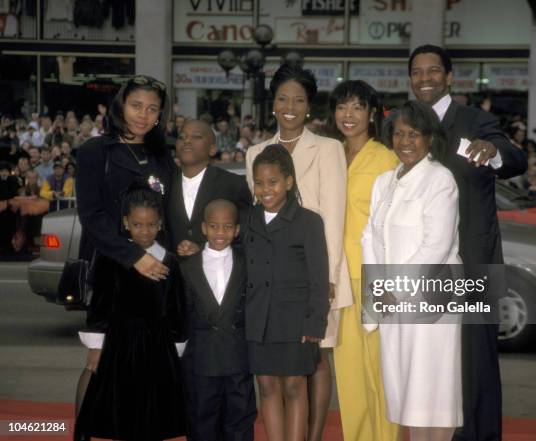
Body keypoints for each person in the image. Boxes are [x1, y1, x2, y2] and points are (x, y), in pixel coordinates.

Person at [408, 44, 528, 441]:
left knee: (474, 359)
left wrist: (494, 151)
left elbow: (515, 158)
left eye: (433, 71)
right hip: (419, 262)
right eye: (417, 72)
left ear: (448, 77)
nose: (425, 78)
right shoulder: (402, 126)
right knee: (428, 361)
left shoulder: (476, 120)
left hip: (473, 259)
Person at [245, 64, 352, 441]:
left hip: (317, 273)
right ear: (272, 104)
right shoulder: (256, 151)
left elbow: (334, 215)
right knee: (277, 378)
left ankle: (313, 435)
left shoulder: (328, 148)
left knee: (316, 359)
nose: (290, 106)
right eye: (282, 98)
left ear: (309, 107)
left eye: (299, 100)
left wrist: (330, 280)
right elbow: (258, 216)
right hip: (275, 284)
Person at [75, 74, 176, 420]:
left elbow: (169, 214)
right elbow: (91, 215)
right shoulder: (94, 151)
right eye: (136, 106)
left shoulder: (162, 156)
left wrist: (172, 256)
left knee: (144, 362)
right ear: (121, 105)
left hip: (153, 271)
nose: (143, 115)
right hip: (111, 268)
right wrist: (133, 256)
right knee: (98, 359)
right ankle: (85, 431)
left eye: (152, 109)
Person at [362, 101, 462, 441]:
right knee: (406, 388)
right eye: (399, 133)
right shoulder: (384, 182)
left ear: (430, 138)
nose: (405, 141)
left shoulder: (440, 180)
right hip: (392, 301)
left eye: (414, 134)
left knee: (432, 390)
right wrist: (378, 293)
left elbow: (436, 246)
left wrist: (395, 290)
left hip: (430, 299)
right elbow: (369, 239)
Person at [74, 180, 187, 441]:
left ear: (160, 224)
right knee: (120, 405)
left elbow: (176, 308)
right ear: (126, 223)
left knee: (153, 409)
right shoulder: (112, 258)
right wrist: (96, 347)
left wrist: (177, 347)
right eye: (137, 224)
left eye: (150, 225)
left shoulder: (169, 261)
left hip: (158, 347)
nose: (144, 231)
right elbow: (100, 303)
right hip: (118, 345)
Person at [327, 80, 400, 441]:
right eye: (343, 107)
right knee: (350, 373)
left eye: (357, 107)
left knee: (379, 371)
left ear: (372, 112)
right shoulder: (331, 154)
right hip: (338, 280)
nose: (349, 115)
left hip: (374, 278)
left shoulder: (385, 158)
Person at [244, 144, 330, 441]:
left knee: (295, 388)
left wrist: (315, 322)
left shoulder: (309, 222)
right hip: (258, 321)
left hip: (295, 321)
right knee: (266, 388)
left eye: (273, 182)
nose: (265, 189)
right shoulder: (247, 220)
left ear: (289, 182)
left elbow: (320, 279)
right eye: (259, 183)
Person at [180, 199, 257, 441]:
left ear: (236, 230)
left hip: (238, 356)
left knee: (240, 416)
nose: (220, 233)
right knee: (202, 417)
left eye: (227, 227)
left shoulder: (248, 264)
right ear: (204, 228)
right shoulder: (187, 267)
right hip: (201, 358)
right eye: (214, 226)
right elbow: (182, 313)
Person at [166, 119, 252, 257]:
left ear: (212, 149)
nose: (187, 141)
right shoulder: (166, 183)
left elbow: (245, 234)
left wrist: (206, 249)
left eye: (196, 137)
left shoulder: (233, 184)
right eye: (182, 137)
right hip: (173, 274)